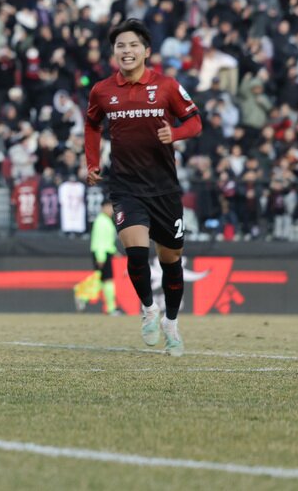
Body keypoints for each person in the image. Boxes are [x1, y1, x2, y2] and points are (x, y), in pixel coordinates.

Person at [84, 19, 201, 357]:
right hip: (126, 187)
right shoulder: (102, 91)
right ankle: (149, 308)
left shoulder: (166, 86)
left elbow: (195, 122)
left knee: (170, 262)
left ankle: (171, 323)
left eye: (133, 45)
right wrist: (92, 162)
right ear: (114, 53)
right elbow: (91, 126)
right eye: (120, 46)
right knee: (135, 252)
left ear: (146, 51)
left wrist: (174, 134)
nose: (127, 51)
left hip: (164, 189)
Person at [74, 201, 121, 316]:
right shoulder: (101, 221)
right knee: (106, 280)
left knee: (100, 280)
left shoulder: (106, 221)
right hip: (102, 254)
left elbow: (107, 240)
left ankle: (82, 296)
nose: (111, 210)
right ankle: (110, 308)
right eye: (109, 207)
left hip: (105, 253)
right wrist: (101, 257)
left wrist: (114, 252)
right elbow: (100, 241)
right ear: (103, 207)